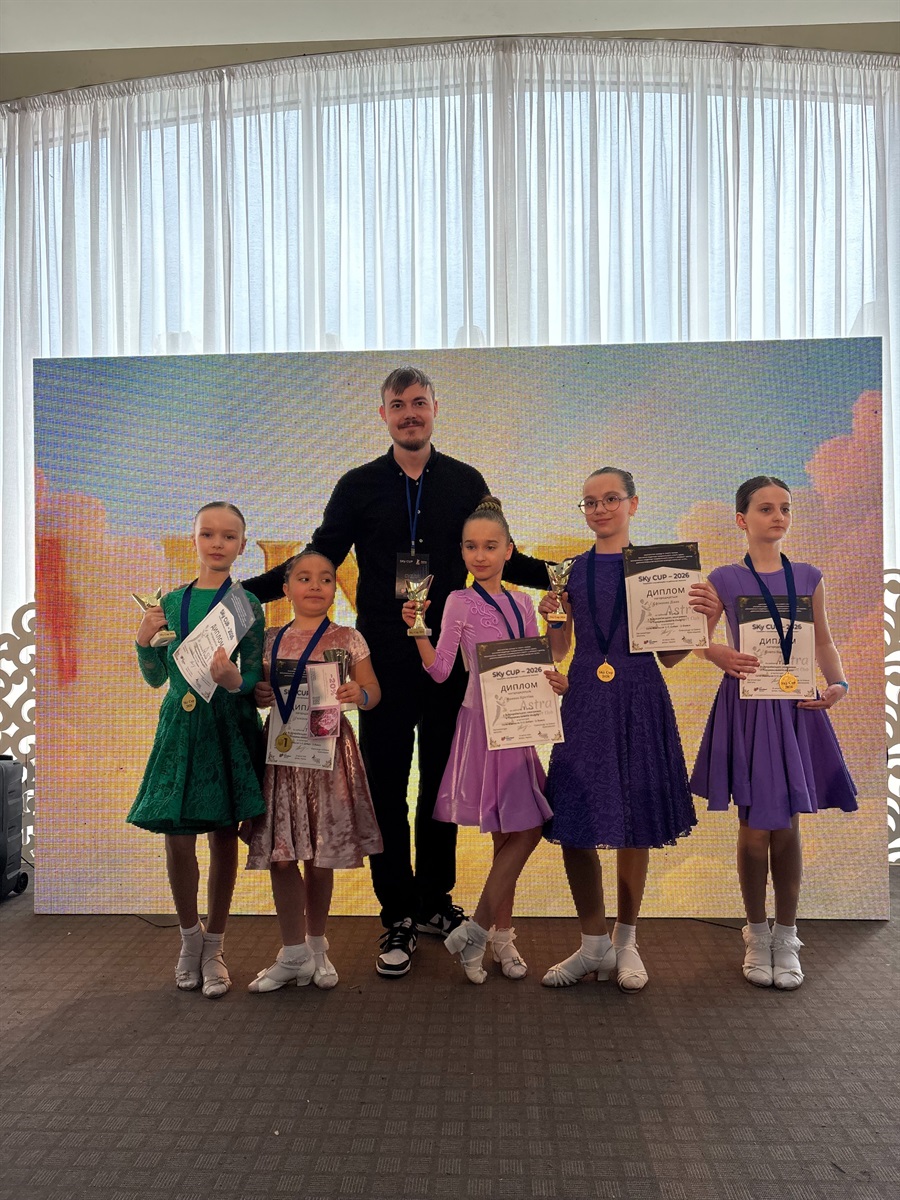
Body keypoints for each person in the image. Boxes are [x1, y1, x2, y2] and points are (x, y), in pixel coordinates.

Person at [243, 367, 548, 977]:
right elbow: (319, 556)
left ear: (435, 407)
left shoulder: (466, 481)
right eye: (398, 404)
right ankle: (398, 914)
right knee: (385, 783)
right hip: (379, 656)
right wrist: (236, 595)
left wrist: (575, 575)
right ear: (383, 414)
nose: (410, 413)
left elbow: (500, 552)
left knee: (441, 782)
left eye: (419, 403)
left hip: (450, 656)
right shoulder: (358, 485)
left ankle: (434, 902)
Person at [538, 468, 719, 993]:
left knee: (634, 818)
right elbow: (558, 650)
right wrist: (553, 619)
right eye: (590, 502)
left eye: (610, 499)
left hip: (640, 695)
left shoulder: (660, 570)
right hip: (584, 698)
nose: (600, 509)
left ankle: (627, 940)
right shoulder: (569, 572)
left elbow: (671, 655)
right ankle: (592, 943)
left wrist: (704, 621)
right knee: (575, 816)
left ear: (633, 504)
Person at [690, 476, 857, 990]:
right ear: (743, 520)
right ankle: (756, 933)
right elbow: (697, 638)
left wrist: (839, 684)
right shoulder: (723, 578)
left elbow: (823, 640)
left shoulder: (808, 576)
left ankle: (787, 937)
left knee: (787, 827)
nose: (778, 516)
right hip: (747, 708)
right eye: (765, 509)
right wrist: (716, 653)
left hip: (796, 708)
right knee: (754, 827)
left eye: (784, 507)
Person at [401, 496, 565, 982]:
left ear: (509, 550)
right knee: (514, 832)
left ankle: (488, 937)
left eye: (491, 546)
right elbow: (440, 671)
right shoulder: (458, 600)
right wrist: (417, 629)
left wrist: (555, 650)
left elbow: (548, 656)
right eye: (471, 546)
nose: (480, 555)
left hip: (521, 722)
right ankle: (488, 937)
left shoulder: (523, 601)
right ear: (462, 551)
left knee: (518, 832)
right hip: (483, 724)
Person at [128, 502, 266, 998]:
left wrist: (235, 681)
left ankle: (215, 946)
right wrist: (143, 642)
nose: (217, 543)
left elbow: (252, 676)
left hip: (227, 726)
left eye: (228, 536)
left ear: (242, 546)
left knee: (223, 835)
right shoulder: (169, 603)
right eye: (208, 534)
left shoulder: (248, 605)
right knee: (178, 836)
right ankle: (189, 940)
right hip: (180, 728)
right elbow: (155, 678)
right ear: (193, 540)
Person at [244, 549, 383, 991]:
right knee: (283, 856)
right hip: (283, 757)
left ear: (335, 589)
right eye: (304, 578)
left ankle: (317, 946)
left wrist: (358, 693)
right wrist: (259, 694)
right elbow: (257, 690)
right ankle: (292, 954)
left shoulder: (348, 638)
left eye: (325, 578)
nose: (316, 585)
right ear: (285, 588)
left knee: (320, 854)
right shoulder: (270, 639)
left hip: (328, 757)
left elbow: (374, 692)